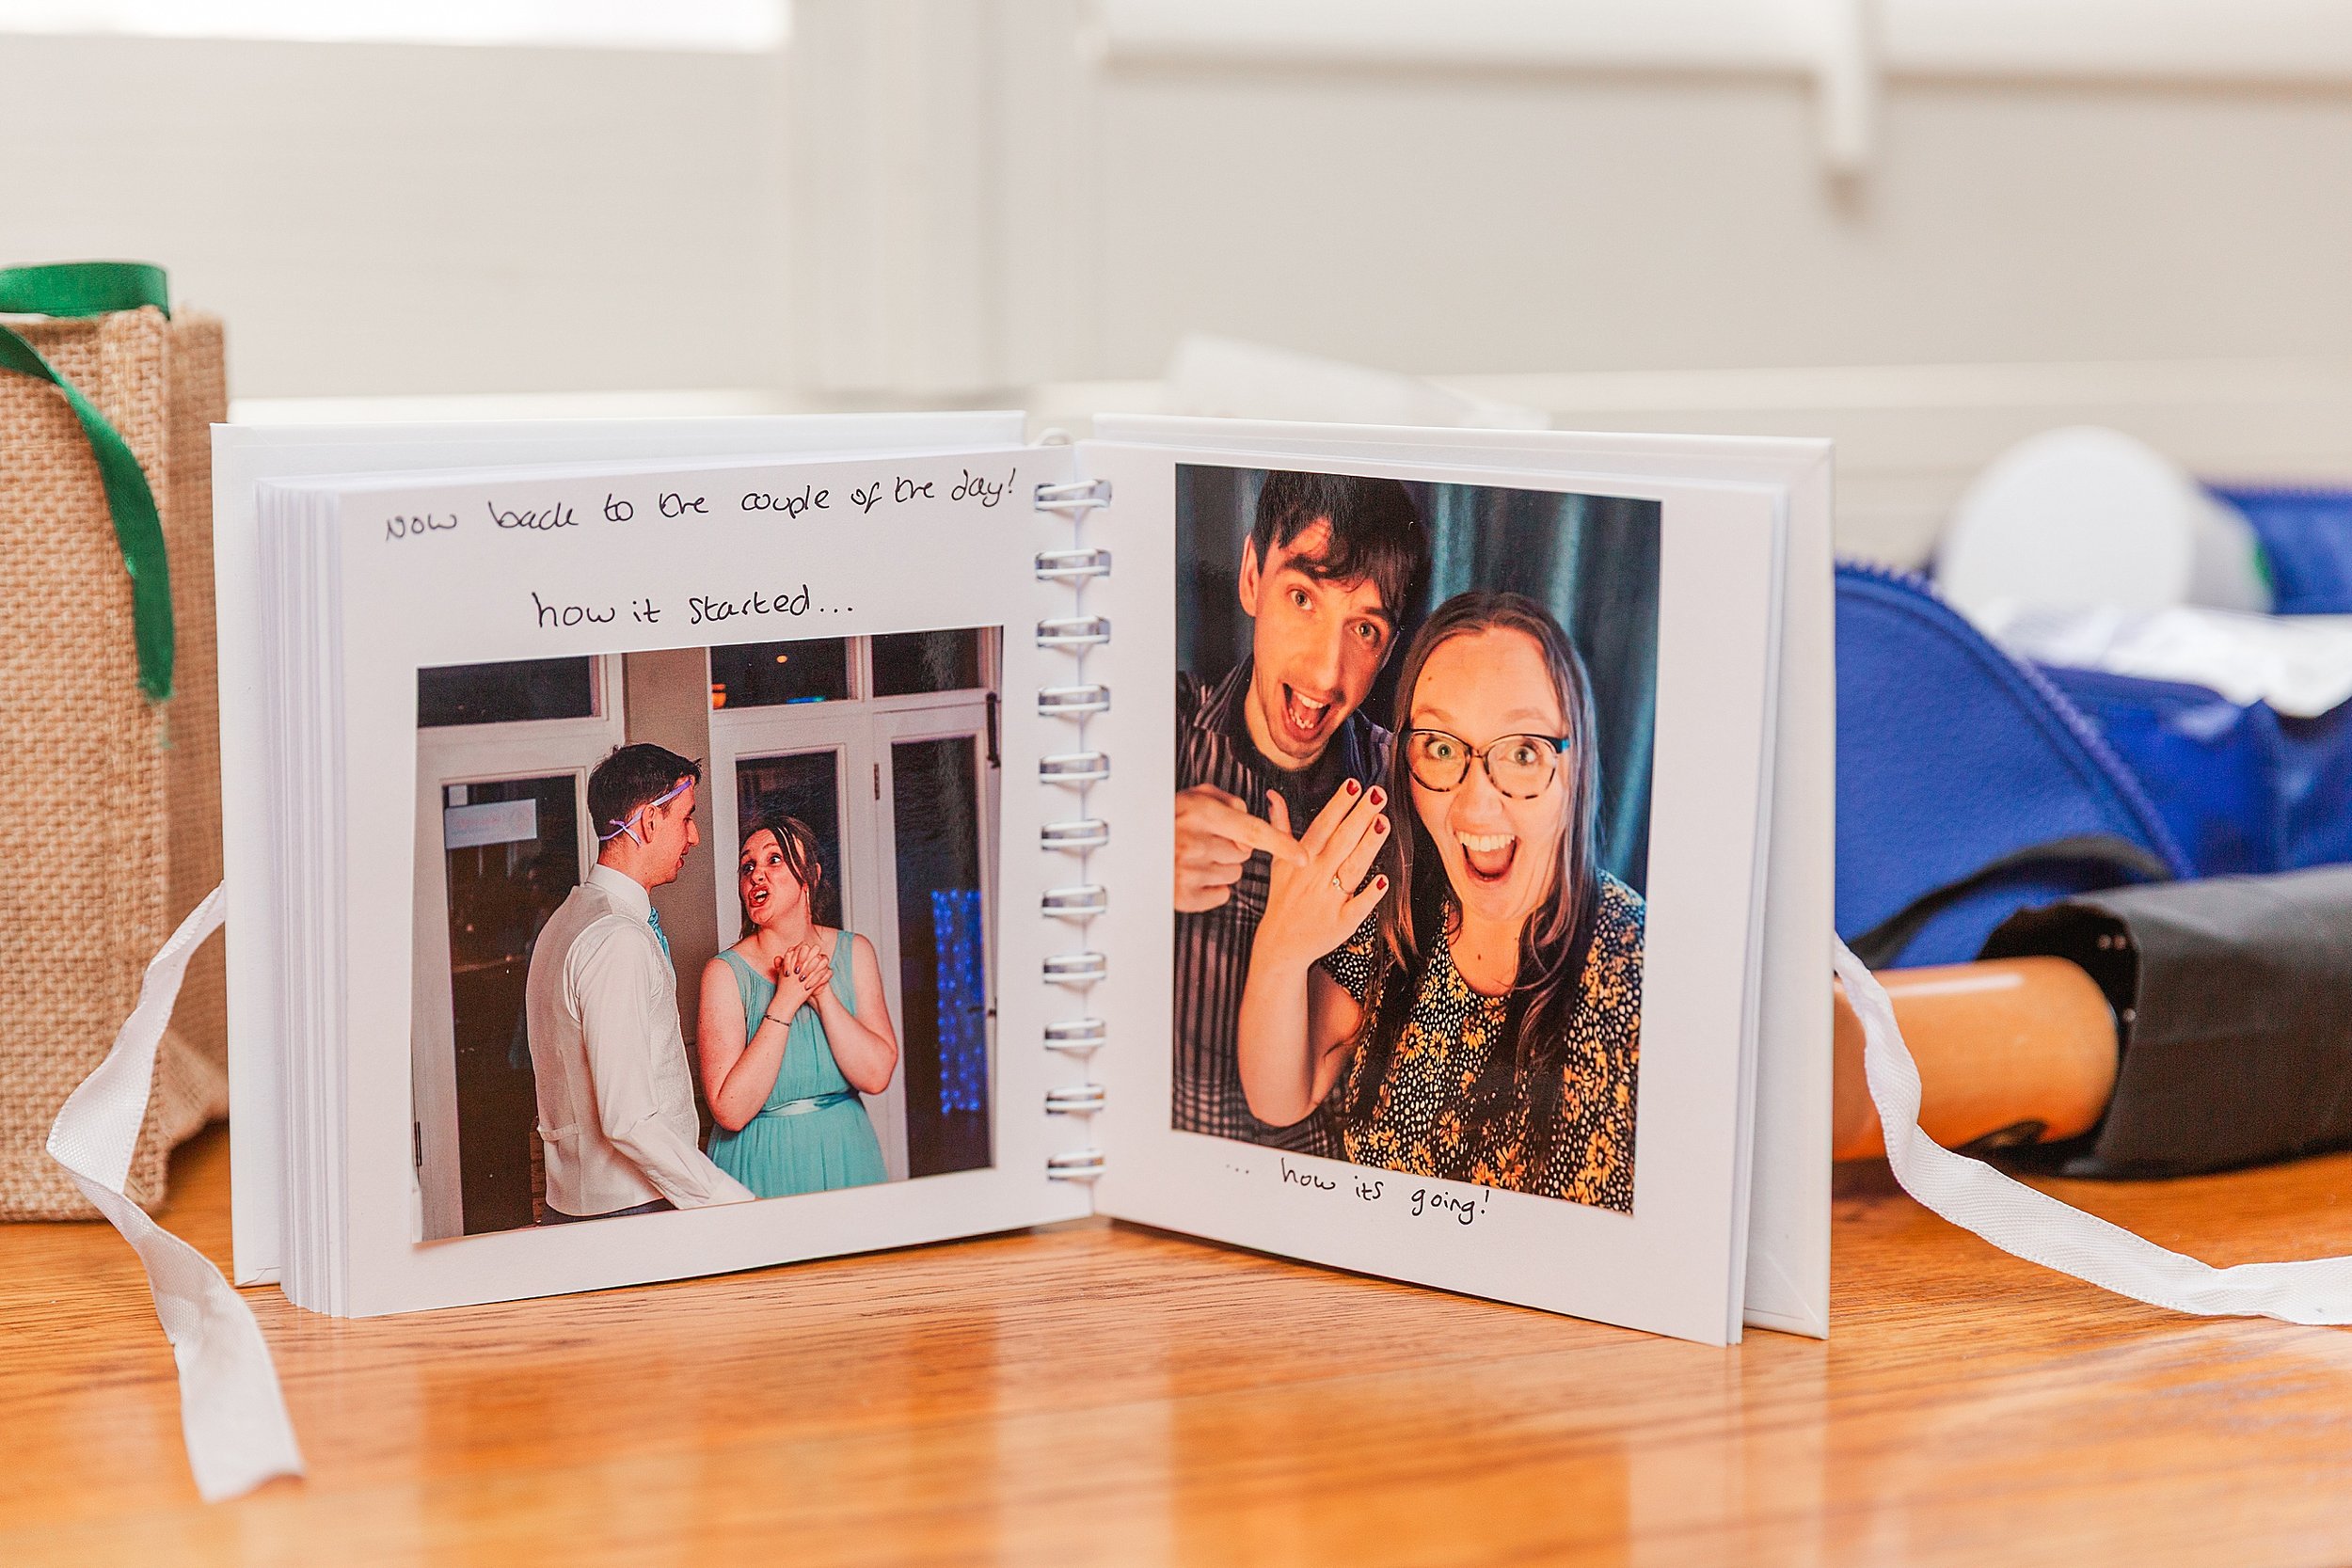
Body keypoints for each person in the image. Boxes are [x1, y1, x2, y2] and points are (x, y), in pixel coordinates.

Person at [1234, 592, 1645, 1211]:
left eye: (1523, 751)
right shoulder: (1391, 905)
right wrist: (1277, 952)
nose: (1477, 805)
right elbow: (1281, 1094)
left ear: (1576, 764)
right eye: (1442, 748)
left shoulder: (1646, 966)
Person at [1174, 470, 1429, 1155]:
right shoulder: (1155, 727)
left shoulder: (1411, 791)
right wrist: (1127, 855)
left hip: (1309, 1192)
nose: (1324, 672)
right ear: (1252, 575)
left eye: (1365, 628)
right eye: (1302, 597)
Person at [523, 744, 755, 1223]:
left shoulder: (566, 923)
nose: (693, 836)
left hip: (587, 1204)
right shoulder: (616, 939)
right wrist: (730, 1204)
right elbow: (628, 1119)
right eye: (686, 818)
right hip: (630, 1209)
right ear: (649, 822)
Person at [696, 815, 896, 1197]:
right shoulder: (723, 973)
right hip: (759, 1164)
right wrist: (785, 1001)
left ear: (812, 875)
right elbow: (730, 1110)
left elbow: (876, 1077)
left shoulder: (856, 952)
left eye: (775, 859)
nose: (756, 875)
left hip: (847, 1157)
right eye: (748, 866)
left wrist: (821, 994)